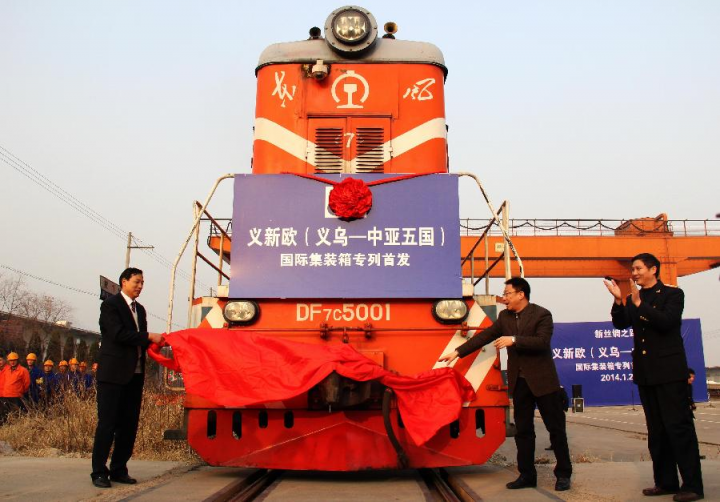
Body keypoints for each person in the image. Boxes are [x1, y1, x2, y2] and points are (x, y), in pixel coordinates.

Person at [439, 277, 572, 492]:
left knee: (556, 429)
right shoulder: (504, 317)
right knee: (523, 431)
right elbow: (485, 336)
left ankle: (563, 474)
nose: (505, 297)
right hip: (520, 383)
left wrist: (514, 340)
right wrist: (457, 352)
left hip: (544, 382)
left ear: (521, 294)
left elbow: (542, 342)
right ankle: (527, 475)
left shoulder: (542, 314)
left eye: (508, 293)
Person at [604, 252, 703, 502]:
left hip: (669, 373)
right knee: (657, 431)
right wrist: (619, 301)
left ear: (653, 269)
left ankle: (692, 485)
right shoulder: (636, 297)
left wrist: (638, 305)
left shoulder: (672, 294)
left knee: (678, 428)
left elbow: (667, 322)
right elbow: (621, 324)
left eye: (638, 269)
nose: (634, 273)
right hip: (646, 373)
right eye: (633, 269)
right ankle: (665, 482)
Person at [90, 267, 163, 489]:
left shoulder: (140, 310)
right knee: (108, 424)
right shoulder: (111, 306)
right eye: (136, 282)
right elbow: (118, 335)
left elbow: (140, 340)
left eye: (142, 283)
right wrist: (148, 336)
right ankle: (99, 472)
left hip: (135, 374)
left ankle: (119, 469)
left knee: (129, 425)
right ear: (124, 282)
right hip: (113, 375)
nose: (140, 286)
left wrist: (158, 341)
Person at [1, 352, 31, 419]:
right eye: (11, 360)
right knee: (5, 414)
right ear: (8, 361)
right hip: (5, 396)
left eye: (14, 360)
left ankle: (16, 427)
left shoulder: (23, 370)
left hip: (16, 397)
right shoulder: (6, 370)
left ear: (17, 360)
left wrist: (20, 391)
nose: (12, 362)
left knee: (16, 415)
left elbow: (26, 384)